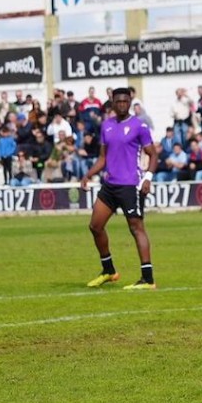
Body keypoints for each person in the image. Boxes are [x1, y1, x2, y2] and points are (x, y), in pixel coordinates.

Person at [80, 87, 158, 290]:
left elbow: (153, 154)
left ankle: (148, 279)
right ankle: (108, 271)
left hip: (131, 185)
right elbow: (103, 158)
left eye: (125, 101)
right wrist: (88, 174)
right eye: (118, 101)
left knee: (136, 228)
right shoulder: (106, 126)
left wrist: (148, 178)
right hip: (110, 185)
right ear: (113, 103)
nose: (122, 104)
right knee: (95, 226)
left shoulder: (139, 125)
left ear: (130, 102)